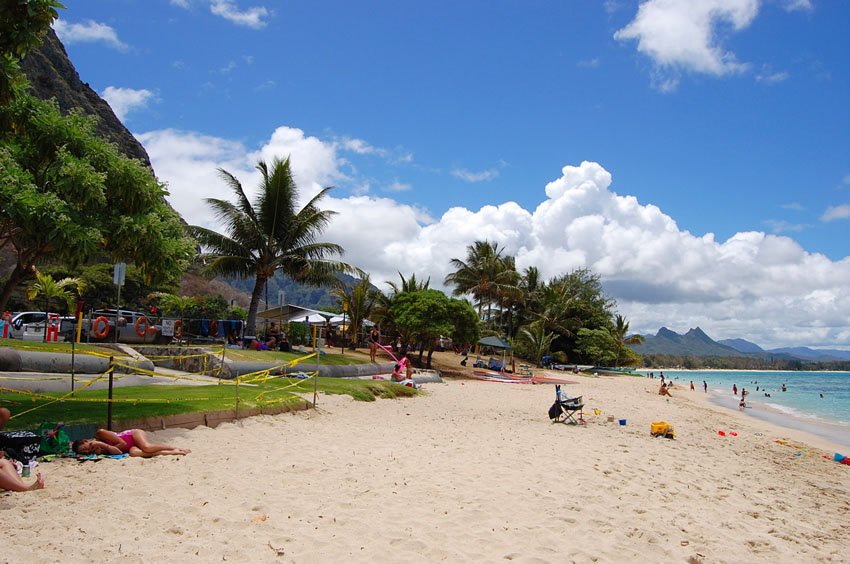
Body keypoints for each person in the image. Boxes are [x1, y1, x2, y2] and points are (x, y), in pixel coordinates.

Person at [72, 428, 190, 458]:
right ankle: (173, 452)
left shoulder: (100, 433)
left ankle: (175, 447)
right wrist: (104, 448)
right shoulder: (98, 450)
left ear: (86, 441)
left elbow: (122, 443)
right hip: (130, 447)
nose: (87, 451)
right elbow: (118, 451)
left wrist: (104, 445)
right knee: (135, 453)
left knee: (146, 447)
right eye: (84, 452)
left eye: (85, 447)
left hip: (132, 435)